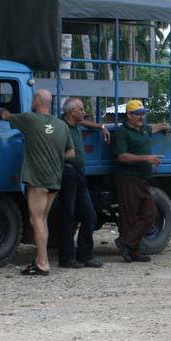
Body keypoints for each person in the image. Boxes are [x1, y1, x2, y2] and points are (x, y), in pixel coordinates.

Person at [0, 89, 74, 276]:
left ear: (36, 102)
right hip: (55, 178)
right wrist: (55, 154)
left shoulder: (29, 119)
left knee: (36, 220)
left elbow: (7, 116)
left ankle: (43, 263)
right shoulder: (62, 125)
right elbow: (71, 153)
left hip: (38, 178)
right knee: (42, 219)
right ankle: (40, 259)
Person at [111, 99, 170, 263]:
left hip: (143, 180)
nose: (141, 117)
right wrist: (147, 158)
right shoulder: (122, 133)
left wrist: (164, 126)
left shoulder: (143, 129)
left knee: (151, 213)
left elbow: (154, 127)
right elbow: (121, 157)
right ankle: (132, 251)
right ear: (128, 115)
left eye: (143, 114)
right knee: (129, 217)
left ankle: (126, 242)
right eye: (137, 114)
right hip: (128, 178)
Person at [54, 98, 110, 269]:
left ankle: (85, 255)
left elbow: (85, 121)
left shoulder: (75, 124)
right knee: (67, 216)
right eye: (81, 109)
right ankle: (66, 258)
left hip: (79, 174)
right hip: (67, 173)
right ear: (72, 112)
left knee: (90, 215)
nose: (83, 111)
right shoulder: (60, 126)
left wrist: (101, 126)